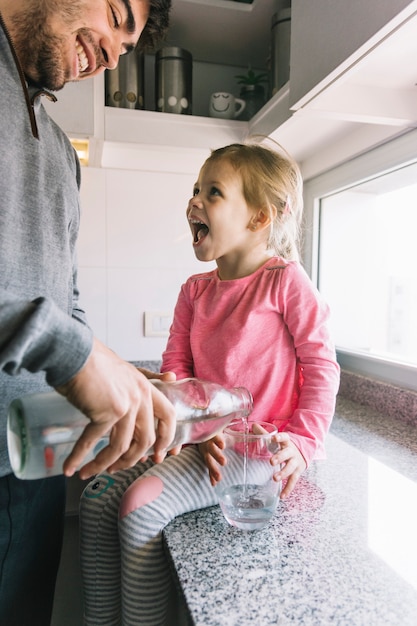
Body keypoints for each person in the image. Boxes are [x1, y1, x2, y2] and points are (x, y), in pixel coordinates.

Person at [79, 141, 340, 625]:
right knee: (97, 497)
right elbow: (175, 366)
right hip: (197, 438)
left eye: (213, 192)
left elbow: (323, 367)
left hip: (253, 451)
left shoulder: (285, 282)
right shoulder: (194, 291)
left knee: (138, 506)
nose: (194, 200)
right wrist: (186, 428)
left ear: (258, 219)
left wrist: (301, 444)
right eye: (196, 189)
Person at [0, 1, 174, 625]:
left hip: (30, 459)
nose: (110, 55)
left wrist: (116, 374)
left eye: (125, 50)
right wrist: (75, 355)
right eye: (117, 15)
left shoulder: (61, 154)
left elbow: (63, 301)